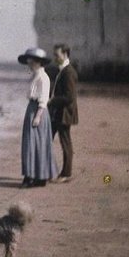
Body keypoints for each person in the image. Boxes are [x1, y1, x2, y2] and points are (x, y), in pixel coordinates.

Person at [18, 47, 57, 188]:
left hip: (38, 111)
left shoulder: (43, 78)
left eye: (31, 60)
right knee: (31, 144)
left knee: (36, 143)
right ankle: (33, 176)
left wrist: (38, 116)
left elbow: (44, 99)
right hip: (32, 109)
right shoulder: (35, 76)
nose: (28, 62)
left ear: (37, 62)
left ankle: (37, 177)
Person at [47, 44, 79, 182]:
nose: (55, 58)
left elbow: (69, 97)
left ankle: (66, 174)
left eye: (57, 55)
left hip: (65, 113)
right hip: (58, 112)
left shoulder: (69, 72)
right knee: (47, 139)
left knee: (65, 142)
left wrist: (52, 100)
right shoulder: (63, 70)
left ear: (65, 54)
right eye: (54, 55)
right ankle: (48, 171)